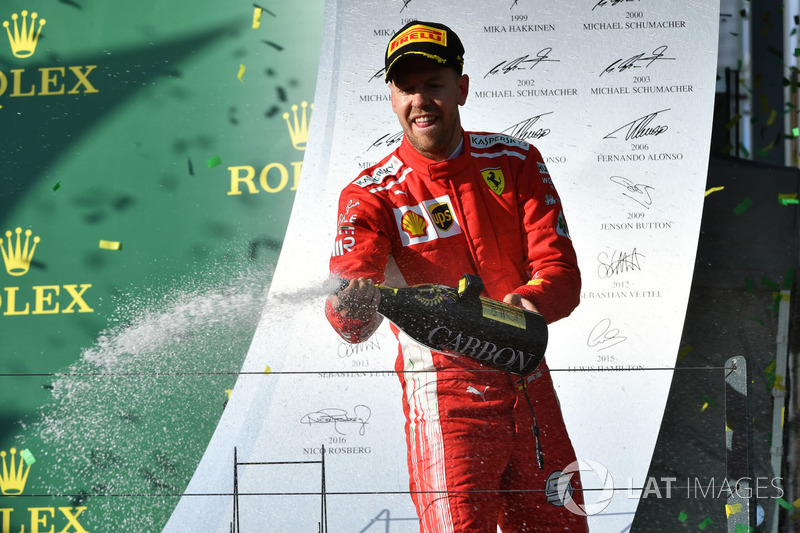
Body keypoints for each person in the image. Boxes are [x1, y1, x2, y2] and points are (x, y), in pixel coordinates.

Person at [325, 20, 588, 532]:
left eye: (434, 84)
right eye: (407, 88)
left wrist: (523, 305)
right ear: (392, 97)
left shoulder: (515, 161)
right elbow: (350, 321)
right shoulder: (372, 194)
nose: (421, 100)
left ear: (461, 88)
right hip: (446, 398)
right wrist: (351, 306)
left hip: (528, 382)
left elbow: (560, 273)